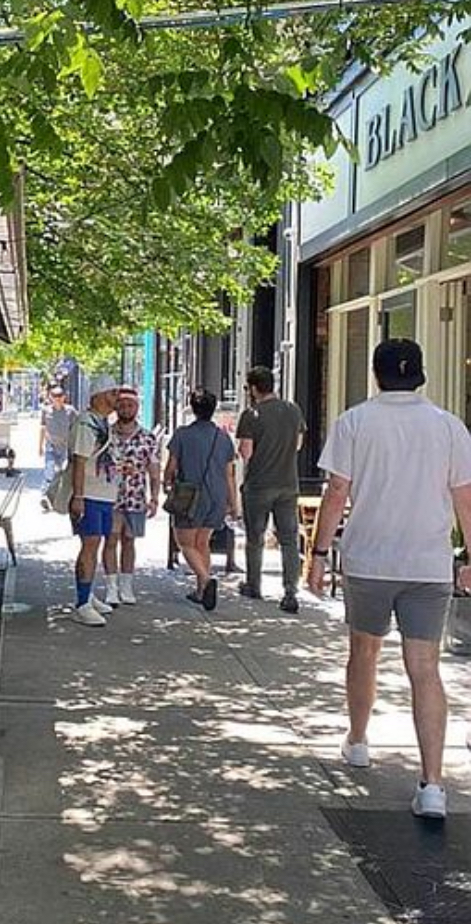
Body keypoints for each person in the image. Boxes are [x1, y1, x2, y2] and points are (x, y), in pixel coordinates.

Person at [308, 339, 471, 821]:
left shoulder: (354, 422)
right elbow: (464, 497)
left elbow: (337, 491)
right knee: (425, 667)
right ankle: (433, 783)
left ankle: (358, 740)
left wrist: (319, 554)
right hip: (427, 563)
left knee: (364, 651)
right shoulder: (449, 427)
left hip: (369, 560)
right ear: (420, 375)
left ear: (376, 375)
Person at [236, 366, 306, 613]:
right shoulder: (293, 410)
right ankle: (290, 591)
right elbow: (298, 444)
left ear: (254, 388)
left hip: (259, 484)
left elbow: (246, 452)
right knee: (289, 539)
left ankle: (253, 584)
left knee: (255, 537)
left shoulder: (251, 415)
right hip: (288, 483)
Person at [164, 387, 238, 612]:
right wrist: (233, 502)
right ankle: (200, 591)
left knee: (185, 543)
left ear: (193, 408)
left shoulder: (182, 434)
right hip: (217, 496)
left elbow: (171, 466)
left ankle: (205, 580)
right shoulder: (223, 437)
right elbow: (229, 474)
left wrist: (167, 482)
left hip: (190, 496)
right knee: (202, 542)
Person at [68, 375, 120, 626]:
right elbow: (79, 461)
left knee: (97, 543)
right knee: (90, 544)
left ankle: (87, 594)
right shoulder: (86, 424)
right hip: (89, 494)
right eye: (112, 393)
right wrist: (78, 496)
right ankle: (81, 602)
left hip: (104, 493)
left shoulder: (102, 423)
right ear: (99, 396)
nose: (116, 398)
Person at [105, 387, 161, 606]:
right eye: (122, 405)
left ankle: (126, 585)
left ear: (137, 408)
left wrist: (154, 497)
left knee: (129, 541)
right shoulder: (106, 434)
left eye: (130, 405)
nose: (126, 409)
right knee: (111, 539)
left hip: (135, 496)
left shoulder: (147, 438)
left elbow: (154, 470)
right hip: (109, 496)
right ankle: (111, 587)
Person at [40, 385, 77, 511]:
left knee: (61, 471)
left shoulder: (70, 411)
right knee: (50, 470)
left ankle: (53, 496)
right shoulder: (46, 411)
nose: (57, 398)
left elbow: (76, 427)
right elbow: (43, 428)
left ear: (64, 397)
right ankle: (45, 496)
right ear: (50, 397)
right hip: (51, 446)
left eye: (60, 396)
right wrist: (40, 446)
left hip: (66, 447)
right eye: (55, 396)